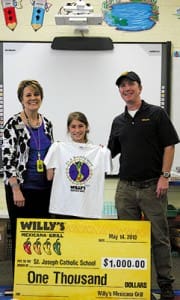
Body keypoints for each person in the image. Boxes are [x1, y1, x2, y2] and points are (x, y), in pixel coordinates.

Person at [107, 71, 179, 300]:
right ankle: (134, 284)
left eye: (130, 84)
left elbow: (169, 146)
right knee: (129, 239)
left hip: (152, 187)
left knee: (159, 237)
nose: (126, 89)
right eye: (122, 86)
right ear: (119, 91)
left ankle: (166, 285)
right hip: (125, 189)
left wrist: (165, 176)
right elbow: (110, 151)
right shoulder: (118, 121)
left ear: (139, 87)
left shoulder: (156, 114)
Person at [2, 80, 54, 276]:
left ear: (41, 97)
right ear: (21, 100)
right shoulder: (13, 123)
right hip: (21, 190)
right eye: (28, 95)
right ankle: (22, 281)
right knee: (21, 236)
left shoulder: (47, 123)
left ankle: (40, 277)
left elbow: (51, 155)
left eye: (36, 94)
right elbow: (7, 160)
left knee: (42, 237)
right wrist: (15, 189)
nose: (33, 98)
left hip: (43, 190)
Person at [44, 111, 112, 219]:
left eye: (81, 126)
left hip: (88, 210)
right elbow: (49, 177)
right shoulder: (57, 148)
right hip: (64, 209)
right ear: (68, 129)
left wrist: (101, 151)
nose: (77, 130)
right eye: (73, 127)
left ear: (87, 127)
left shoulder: (101, 152)